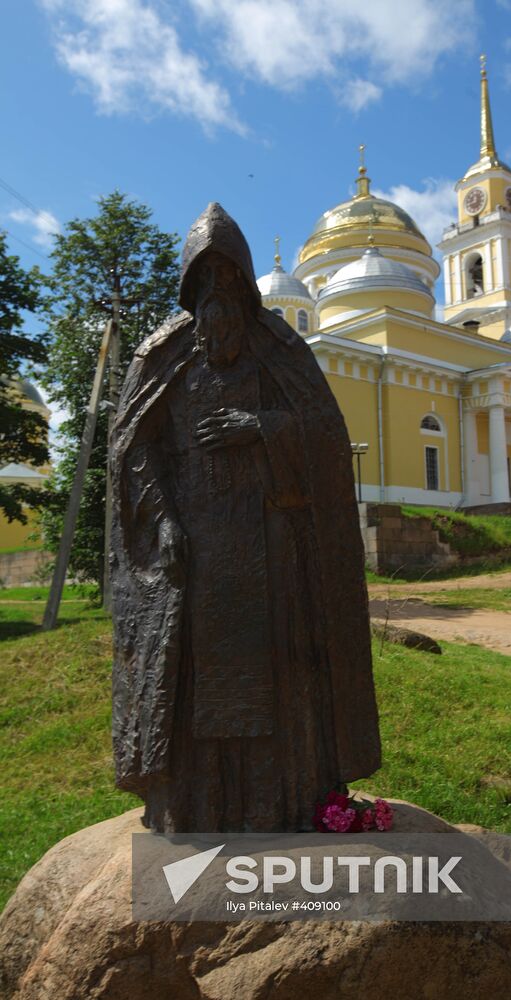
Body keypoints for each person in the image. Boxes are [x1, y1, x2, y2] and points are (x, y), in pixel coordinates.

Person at [110, 203, 380, 833]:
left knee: (280, 674)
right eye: (207, 290)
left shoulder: (281, 350)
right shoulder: (163, 354)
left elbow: (325, 439)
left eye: (230, 288)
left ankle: (285, 800)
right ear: (192, 296)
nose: (219, 307)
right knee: (199, 681)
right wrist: (164, 521)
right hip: (196, 555)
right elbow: (135, 449)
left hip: (274, 548)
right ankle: (192, 804)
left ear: (246, 288)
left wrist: (261, 428)